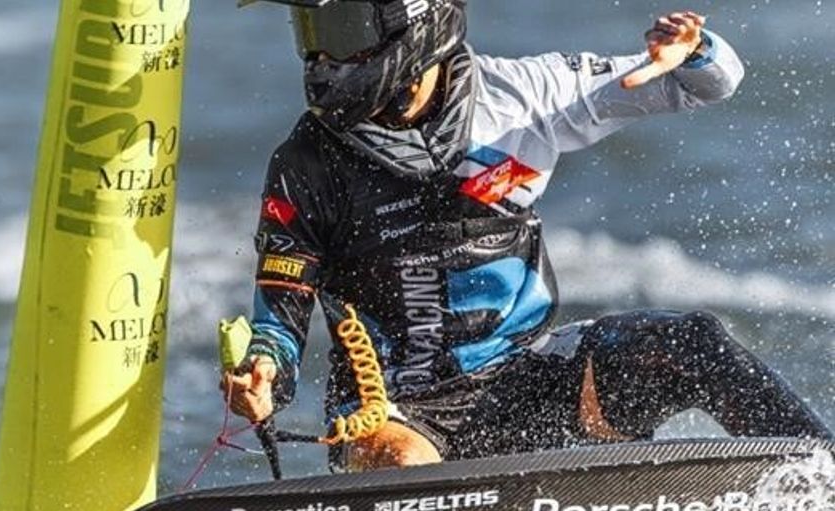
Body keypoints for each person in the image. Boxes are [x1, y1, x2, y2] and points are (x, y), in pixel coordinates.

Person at [222, 0, 832, 472]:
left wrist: (694, 50)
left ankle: (820, 478)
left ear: (416, 26)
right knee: (406, 464)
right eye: (311, 33)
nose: (323, 57)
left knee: (690, 343)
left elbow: (711, 83)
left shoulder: (525, 95)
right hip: (395, 412)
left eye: (342, 30)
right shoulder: (305, 163)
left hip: (528, 376)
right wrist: (264, 373)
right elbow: (280, 313)